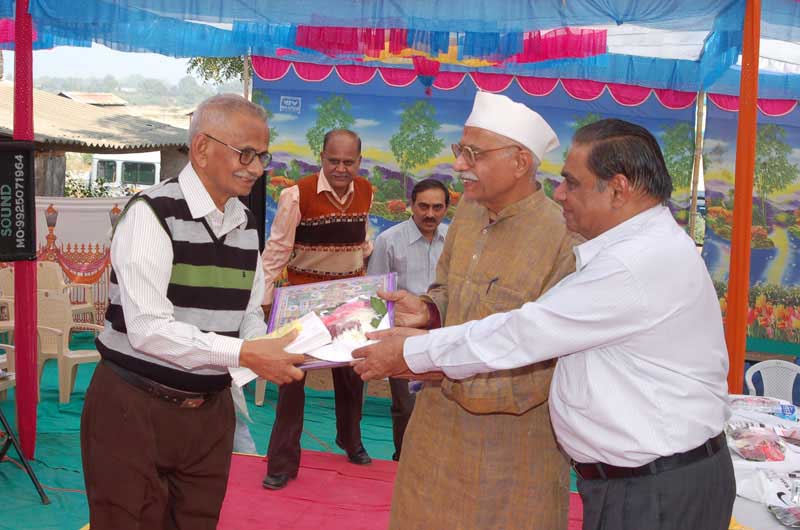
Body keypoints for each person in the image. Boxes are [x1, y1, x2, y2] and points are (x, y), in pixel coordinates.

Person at [354, 118, 735, 530]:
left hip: (643, 487)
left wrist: (407, 353)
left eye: (572, 182)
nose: (560, 192)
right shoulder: (635, 247)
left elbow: (521, 334)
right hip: (634, 481)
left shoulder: (630, 262)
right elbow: (464, 298)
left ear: (618, 189)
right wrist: (430, 313)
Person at [81, 93, 306, 530]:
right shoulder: (151, 214)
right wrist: (245, 354)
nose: (256, 168)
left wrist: (275, 344)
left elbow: (247, 315)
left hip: (209, 415)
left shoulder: (245, 224)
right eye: (245, 153)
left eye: (262, 156)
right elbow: (148, 329)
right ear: (202, 148)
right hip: (133, 409)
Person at [365, 91, 581, 529]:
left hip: (510, 454)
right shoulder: (467, 212)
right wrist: (427, 311)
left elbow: (541, 370)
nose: (459, 164)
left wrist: (422, 361)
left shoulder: (565, 239)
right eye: (459, 150)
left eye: (473, 154)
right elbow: (448, 289)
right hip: (432, 437)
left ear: (520, 162)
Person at [261, 129, 373, 490]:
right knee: (291, 380)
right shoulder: (296, 195)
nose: (341, 168)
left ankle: (350, 440)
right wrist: (264, 299)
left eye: (348, 162)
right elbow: (277, 251)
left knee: (353, 375)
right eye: (333, 160)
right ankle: (281, 463)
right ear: (321, 157)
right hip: (303, 302)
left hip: (349, 300)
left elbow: (363, 239)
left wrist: (362, 264)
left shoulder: (367, 191)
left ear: (359, 161)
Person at [366, 178, 450, 461]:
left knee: (445, 403)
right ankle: (403, 462)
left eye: (437, 207)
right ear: (411, 205)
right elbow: (375, 292)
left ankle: (436, 466)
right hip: (402, 334)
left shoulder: (454, 241)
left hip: (444, 332)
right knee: (406, 405)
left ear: (446, 208)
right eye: (423, 206)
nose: (430, 214)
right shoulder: (389, 240)